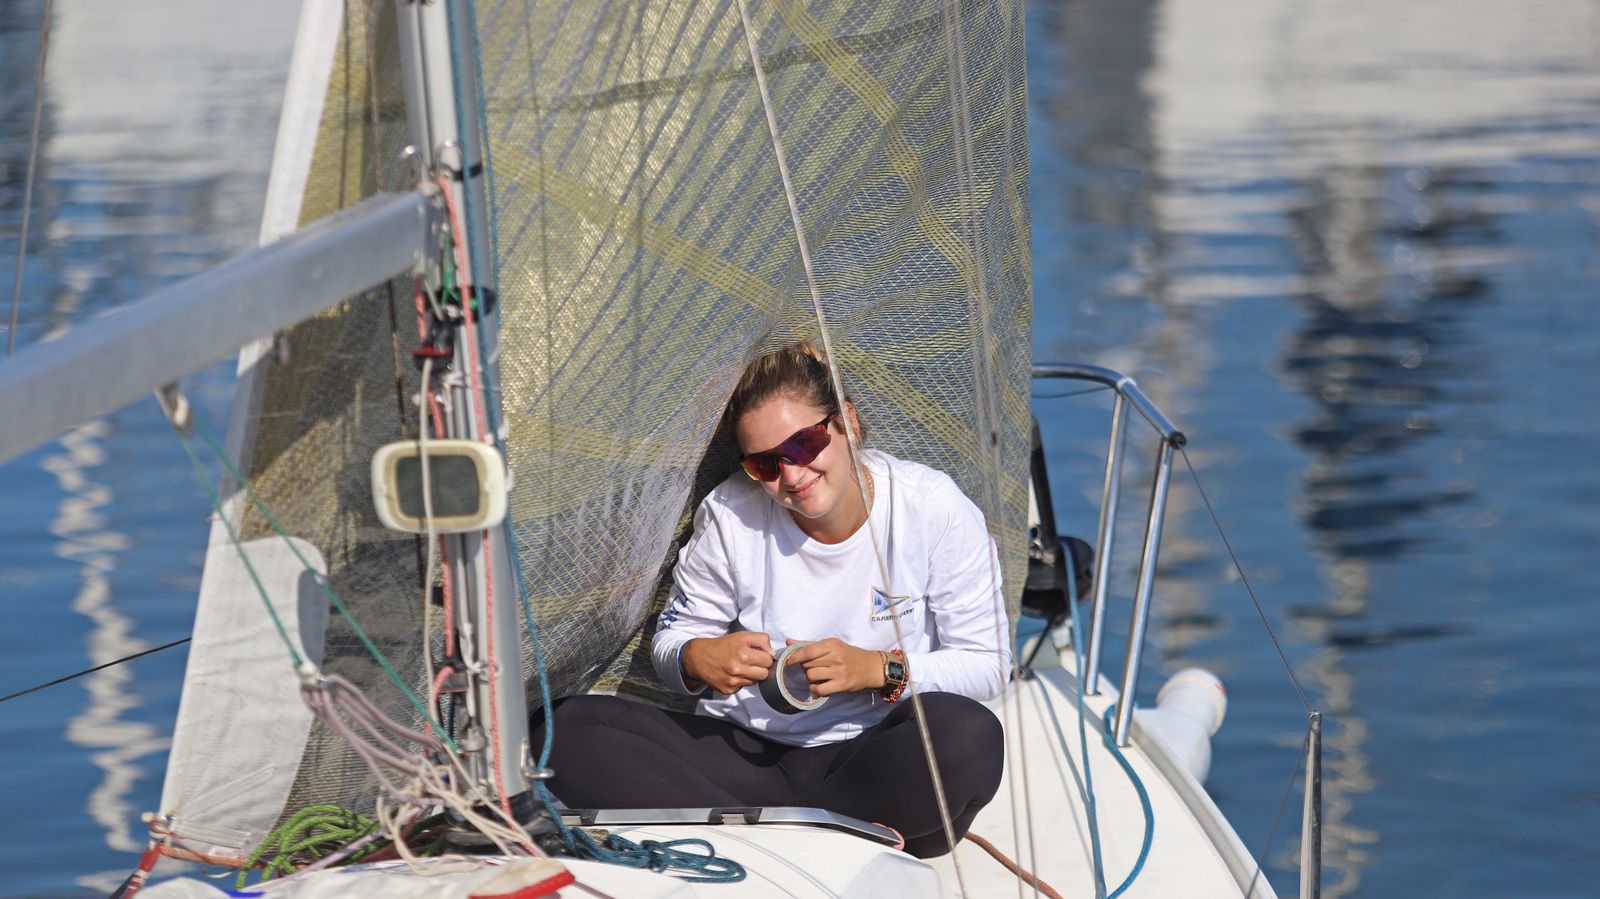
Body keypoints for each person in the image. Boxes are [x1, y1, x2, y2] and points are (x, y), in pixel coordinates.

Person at [535, 344, 1010, 858]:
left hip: (869, 757)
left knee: (967, 735)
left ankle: (752, 847)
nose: (791, 474)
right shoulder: (730, 513)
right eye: (765, 463)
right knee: (559, 730)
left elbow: (989, 665)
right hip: (749, 755)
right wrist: (696, 658)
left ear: (846, 420)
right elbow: (675, 641)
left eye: (804, 444)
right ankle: (813, 847)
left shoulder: (930, 505)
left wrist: (878, 669)